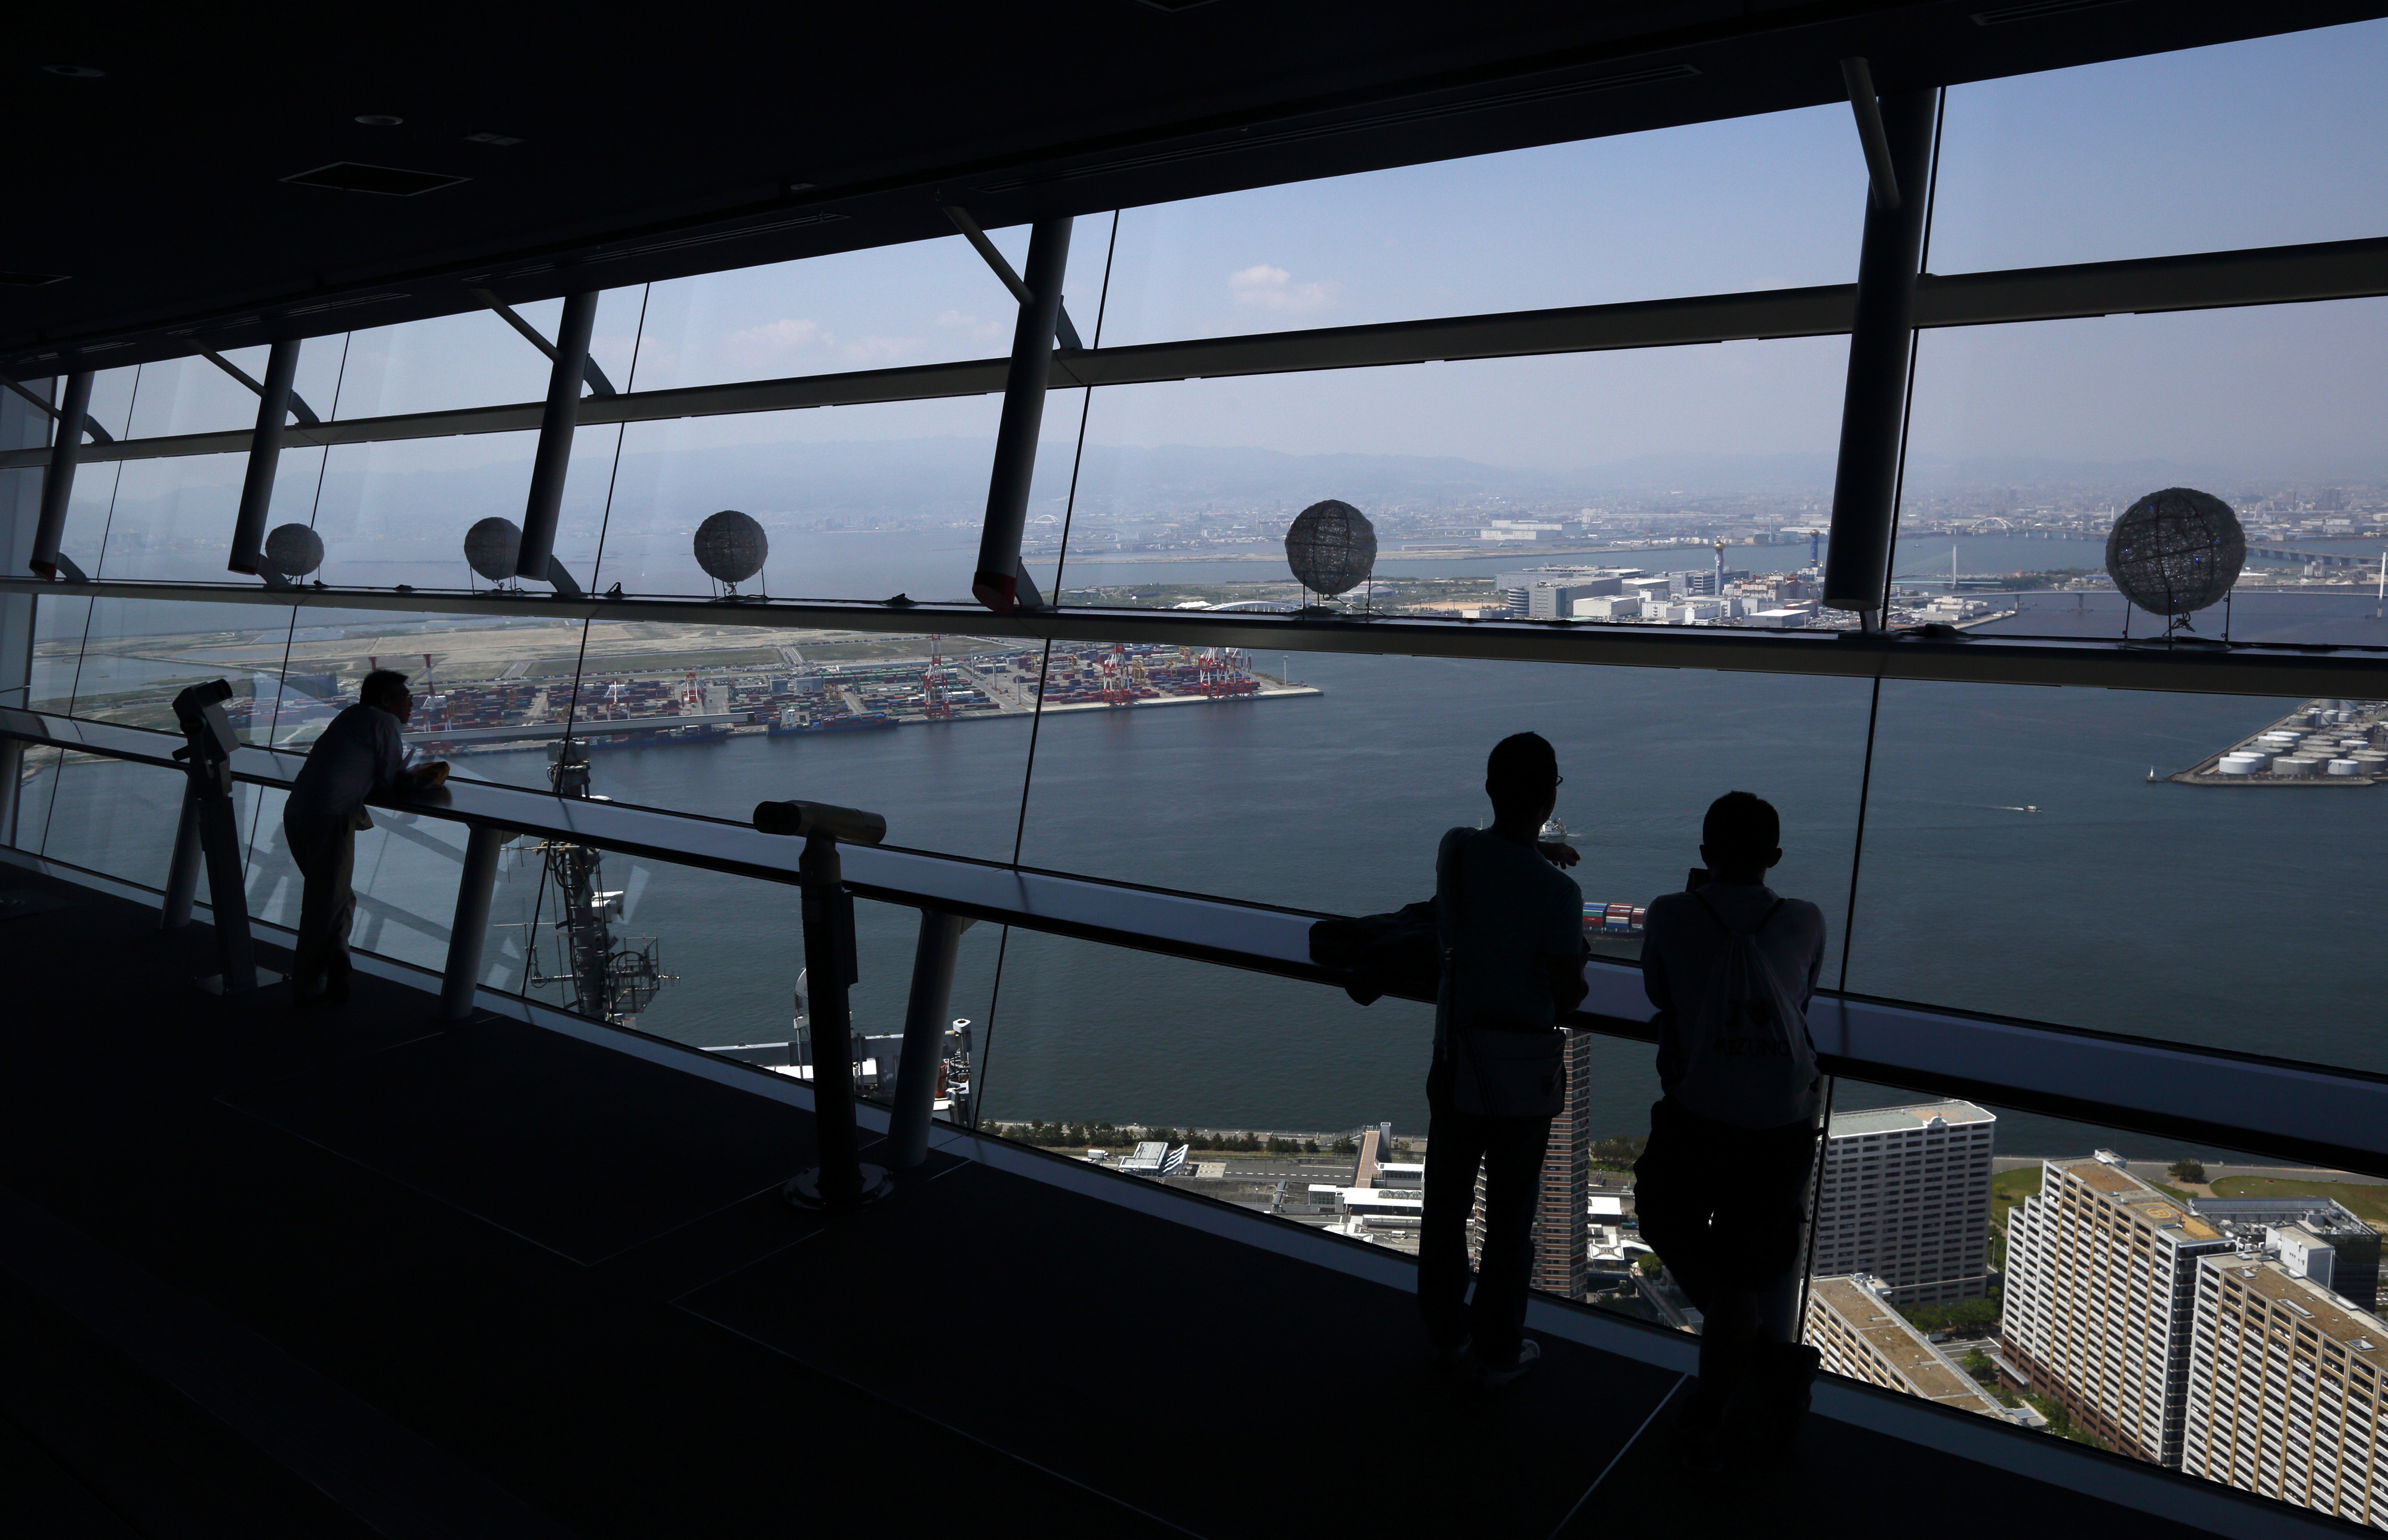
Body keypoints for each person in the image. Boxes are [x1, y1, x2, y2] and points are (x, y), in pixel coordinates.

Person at [1633, 791, 1828, 1468]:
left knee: (1659, 1213)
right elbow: (1797, 999)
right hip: (1781, 1121)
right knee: (1747, 1265)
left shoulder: (1669, 913)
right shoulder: (1804, 919)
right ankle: (1745, 1355)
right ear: (1774, 858)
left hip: (1698, 1111)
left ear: (1704, 855)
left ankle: (1717, 1395)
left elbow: (1659, 995)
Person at [1418, 732, 1588, 1390]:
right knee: (1510, 1221)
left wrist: (1532, 850)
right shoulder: (1558, 897)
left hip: (1453, 1058)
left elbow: (1490, 854)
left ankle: (1443, 1334)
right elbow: (1568, 998)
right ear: (1549, 797)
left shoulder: (1455, 852)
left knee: (1446, 1207)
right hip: (1519, 1077)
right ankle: (1497, 1349)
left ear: (1489, 789)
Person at [282, 669, 446, 1006]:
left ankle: (335, 966)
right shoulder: (384, 722)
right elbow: (389, 780)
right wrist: (425, 779)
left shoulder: (350, 716)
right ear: (386, 701)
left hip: (298, 812)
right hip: (329, 817)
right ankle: (308, 989)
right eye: (405, 696)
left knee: (335, 900)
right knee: (325, 908)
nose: (411, 702)